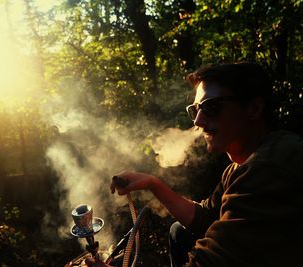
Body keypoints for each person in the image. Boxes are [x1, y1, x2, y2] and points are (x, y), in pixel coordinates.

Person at [86, 62, 303, 267]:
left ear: (254, 108)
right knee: (179, 232)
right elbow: (205, 218)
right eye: (195, 110)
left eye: (211, 107)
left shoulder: (267, 170)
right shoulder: (240, 166)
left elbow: (207, 262)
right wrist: (152, 184)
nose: (198, 121)